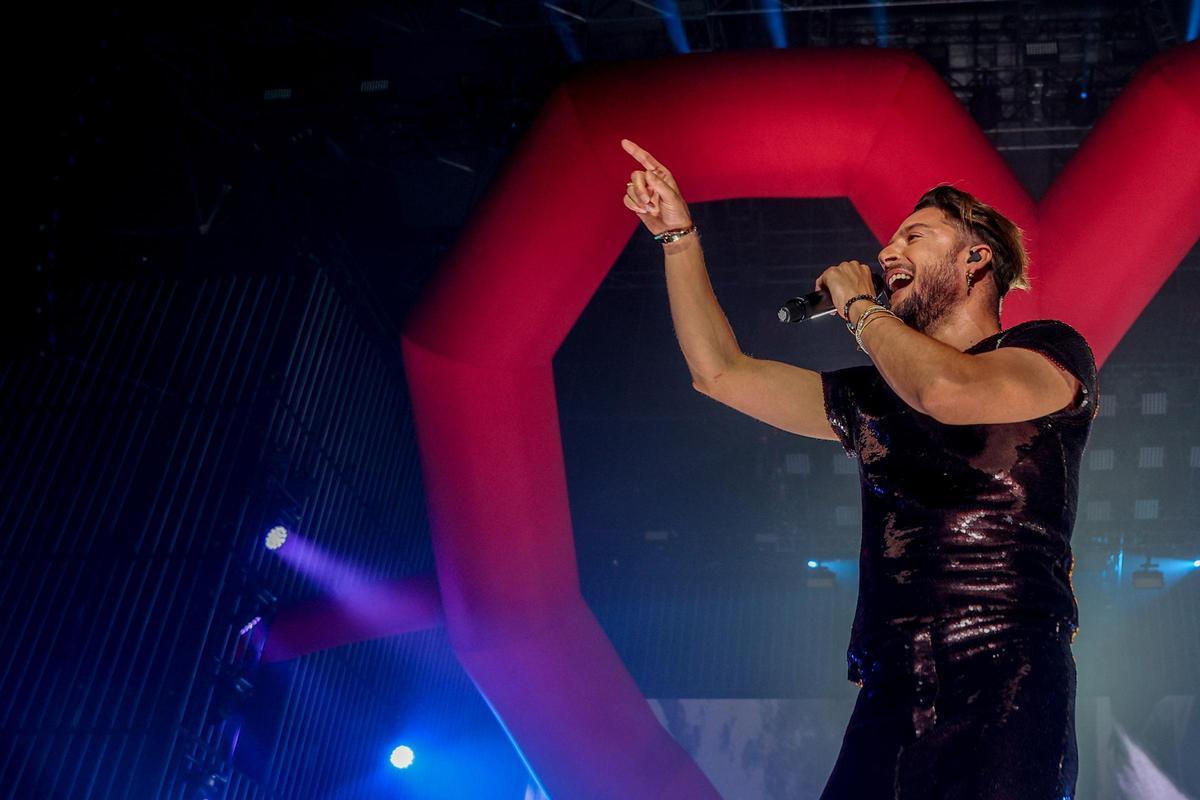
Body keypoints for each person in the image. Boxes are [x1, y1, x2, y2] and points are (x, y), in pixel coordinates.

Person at [619, 137, 1097, 799]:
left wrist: (857, 307)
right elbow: (719, 373)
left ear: (975, 258)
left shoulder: (1045, 349)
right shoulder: (872, 399)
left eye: (915, 237)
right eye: (890, 243)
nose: (886, 253)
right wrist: (678, 237)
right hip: (890, 681)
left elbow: (948, 393)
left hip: (1006, 666)